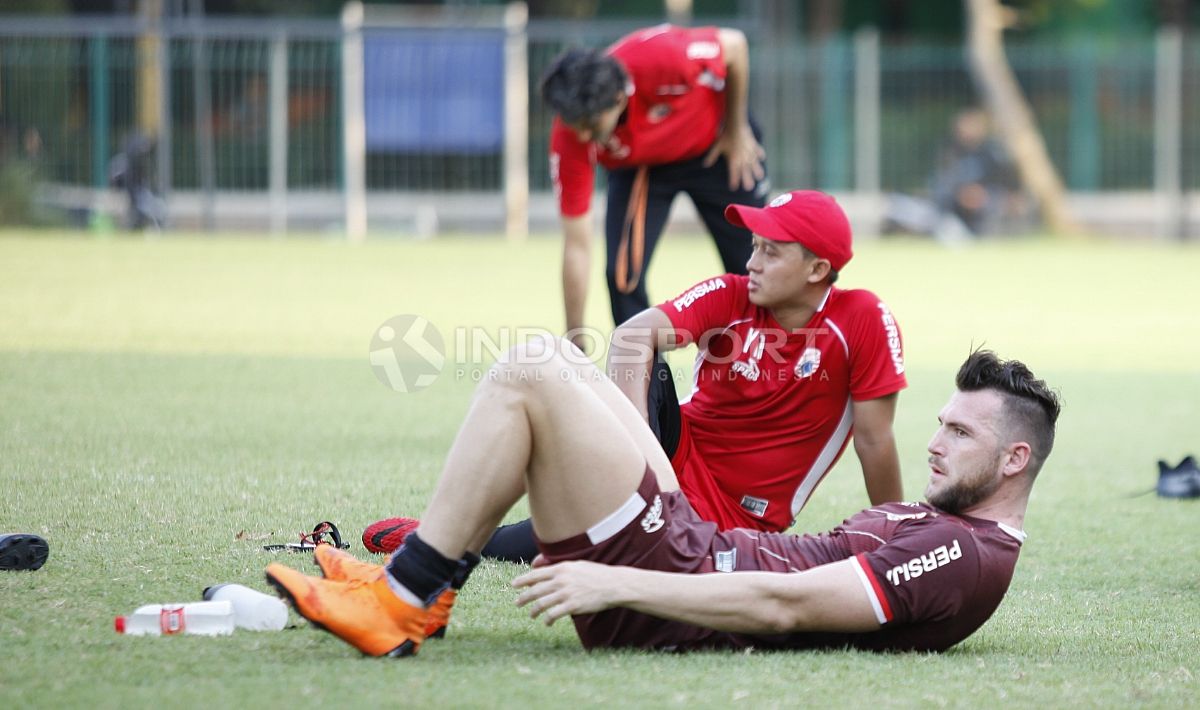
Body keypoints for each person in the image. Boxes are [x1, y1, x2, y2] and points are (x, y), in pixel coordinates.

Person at [266, 347, 1059, 657]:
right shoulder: (952, 520)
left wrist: (615, 583)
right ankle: (424, 586)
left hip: (670, 593)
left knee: (526, 374)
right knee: (563, 361)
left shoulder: (966, 555)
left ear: (1014, 459)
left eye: (959, 433)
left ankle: (401, 599)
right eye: (943, 424)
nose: (934, 442)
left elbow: (785, 604)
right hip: (689, 546)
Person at [364, 190, 907, 561]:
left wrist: (895, 537)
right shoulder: (732, 293)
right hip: (670, 456)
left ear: (817, 270)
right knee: (579, 375)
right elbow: (629, 337)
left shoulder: (862, 319)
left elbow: (875, 443)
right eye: (754, 246)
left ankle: (433, 541)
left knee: (555, 539)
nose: (753, 262)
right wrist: (645, 461)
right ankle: (625, 495)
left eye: (771, 251)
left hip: (735, 521)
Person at [542, 24, 769, 351]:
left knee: (759, 263)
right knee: (622, 277)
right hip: (643, 165)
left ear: (619, 99)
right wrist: (574, 340)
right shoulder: (572, 132)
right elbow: (577, 244)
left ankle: (774, 366)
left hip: (717, 146)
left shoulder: (664, 58)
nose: (582, 137)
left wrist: (736, 129)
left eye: (591, 127)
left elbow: (735, 45)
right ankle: (646, 389)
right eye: (575, 126)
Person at [884, 108, 1028, 242]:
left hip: (985, 205)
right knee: (902, 206)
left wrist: (984, 195)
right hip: (951, 206)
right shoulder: (951, 151)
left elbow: (1008, 185)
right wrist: (959, 193)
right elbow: (943, 183)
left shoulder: (991, 153)